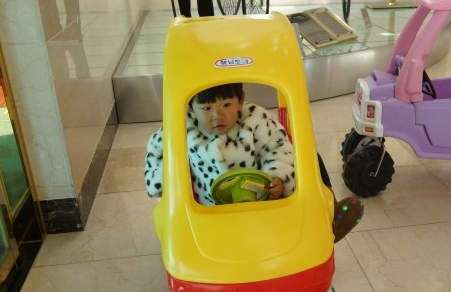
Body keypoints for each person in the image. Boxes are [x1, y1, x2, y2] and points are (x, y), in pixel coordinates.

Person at [144, 82, 363, 239]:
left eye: (226, 105)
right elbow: (156, 155)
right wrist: (167, 178)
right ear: (190, 107)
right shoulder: (181, 127)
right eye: (207, 108)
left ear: (240, 100)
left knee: (309, 156)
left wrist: (277, 178)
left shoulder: (254, 119)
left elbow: (278, 148)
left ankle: (327, 222)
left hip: (261, 202)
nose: (217, 115)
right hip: (208, 212)